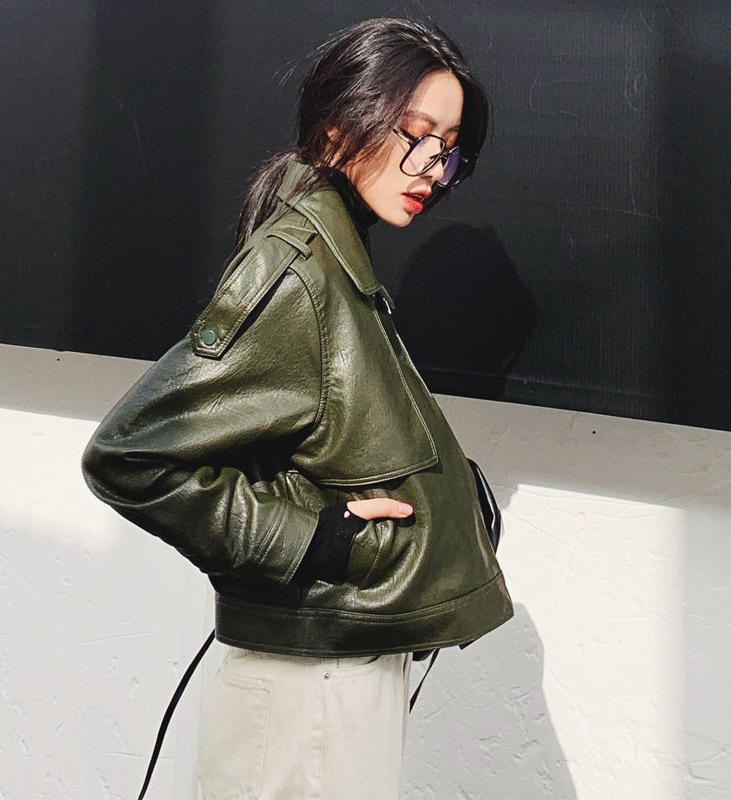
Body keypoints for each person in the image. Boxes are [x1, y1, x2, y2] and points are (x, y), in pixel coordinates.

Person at [82, 17, 513, 800]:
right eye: (416, 135)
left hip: (336, 677)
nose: (432, 167)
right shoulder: (300, 273)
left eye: (449, 149)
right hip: (312, 692)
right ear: (339, 128)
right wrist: (315, 542)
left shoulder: (341, 266)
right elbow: (129, 456)